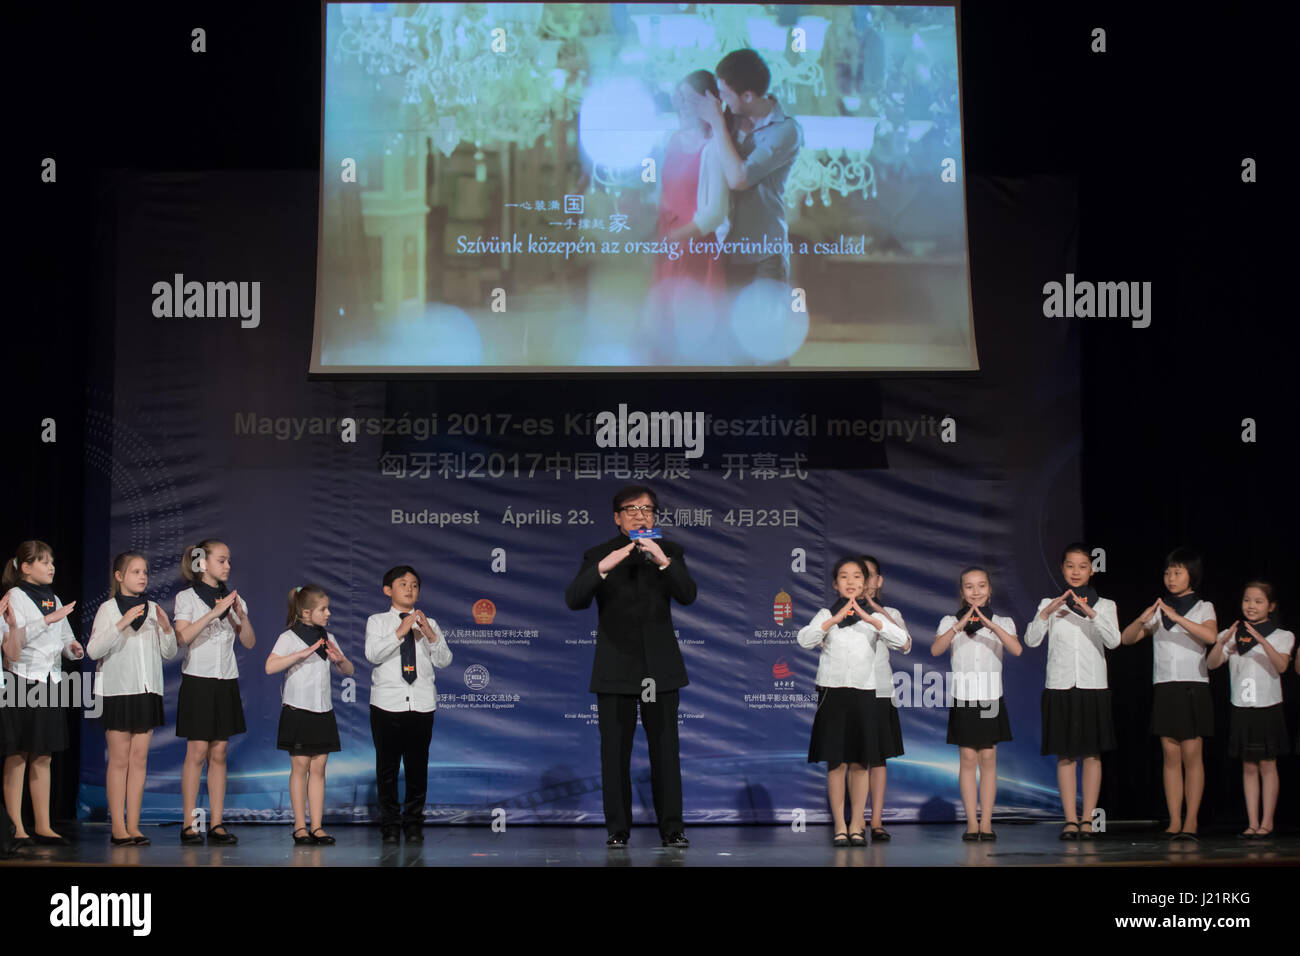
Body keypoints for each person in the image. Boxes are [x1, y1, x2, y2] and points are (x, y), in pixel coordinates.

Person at [564, 484, 697, 847]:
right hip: (615, 669)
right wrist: (603, 569)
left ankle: (673, 830)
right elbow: (574, 600)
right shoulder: (598, 554)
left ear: (655, 516)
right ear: (617, 518)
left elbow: (688, 594)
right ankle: (617, 831)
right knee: (614, 755)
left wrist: (663, 560)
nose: (640, 514)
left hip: (661, 669)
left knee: (666, 754)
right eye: (632, 508)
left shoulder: (669, 551)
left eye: (648, 509)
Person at [797, 556, 908, 846]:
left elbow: (902, 640)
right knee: (837, 762)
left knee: (860, 762)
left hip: (866, 692)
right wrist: (832, 621)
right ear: (836, 583)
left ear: (866, 582)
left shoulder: (876, 616)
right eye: (844, 577)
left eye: (857, 577)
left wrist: (872, 619)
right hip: (833, 692)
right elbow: (804, 639)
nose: (851, 582)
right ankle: (840, 825)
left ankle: (858, 823)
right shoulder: (825, 613)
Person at [1023, 543, 1120, 840]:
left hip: (1093, 687)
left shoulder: (1106, 606)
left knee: (1092, 755)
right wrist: (1046, 613)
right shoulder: (1048, 603)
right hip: (1060, 686)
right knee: (1066, 756)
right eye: (1070, 566)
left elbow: (1114, 641)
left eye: (1082, 566)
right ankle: (1069, 819)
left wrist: (1089, 611)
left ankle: (1088, 819)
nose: (1076, 572)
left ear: (1092, 570)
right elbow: (1030, 640)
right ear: (1062, 569)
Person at [1121, 547, 1217, 840]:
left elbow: (1210, 636)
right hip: (1165, 685)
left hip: (1193, 685)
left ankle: (1192, 820)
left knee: (1192, 753)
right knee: (1170, 754)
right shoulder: (1160, 609)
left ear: (1192, 575)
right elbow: (1126, 639)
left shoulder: (1204, 607)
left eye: (1177, 572)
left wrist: (1176, 616)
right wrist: (1143, 618)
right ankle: (1175, 820)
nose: (1171, 577)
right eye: (1168, 572)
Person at [87, 551, 178, 846]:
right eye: (135, 571)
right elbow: (93, 650)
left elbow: (169, 653)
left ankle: (134, 825)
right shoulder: (108, 610)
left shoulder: (152, 609)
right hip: (117, 691)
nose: (142, 576)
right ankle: (117, 826)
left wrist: (166, 629)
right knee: (120, 760)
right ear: (119, 576)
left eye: (145, 572)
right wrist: (122, 623)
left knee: (139, 760)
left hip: (147, 690)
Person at [694, 48, 804, 288]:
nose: (721, 100)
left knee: (763, 325)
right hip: (725, 249)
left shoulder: (785, 130)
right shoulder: (729, 120)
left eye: (725, 94)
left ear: (747, 96)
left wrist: (717, 125)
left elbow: (739, 179)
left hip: (764, 256)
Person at [172, 538, 256, 845]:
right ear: (202, 563)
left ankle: (217, 823)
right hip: (199, 679)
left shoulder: (235, 598)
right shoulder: (187, 597)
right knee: (196, 752)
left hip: (226, 679)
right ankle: (190, 823)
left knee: (219, 752)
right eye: (222, 560)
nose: (227, 565)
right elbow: (182, 636)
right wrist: (213, 613)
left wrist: (240, 616)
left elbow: (248, 641)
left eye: (229, 560)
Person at [1, 540, 84, 846]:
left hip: (50, 681)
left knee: (43, 755)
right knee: (18, 754)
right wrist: (45, 620)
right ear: (25, 567)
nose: (51, 567)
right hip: (22, 679)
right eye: (43, 561)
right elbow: (12, 642)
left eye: (52, 561)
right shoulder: (15, 597)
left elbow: (64, 637)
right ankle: (16, 827)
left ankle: (44, 825)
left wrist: (72, 648)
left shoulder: (53, 597)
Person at [931, 566, 1020, 841]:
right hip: (964, 697)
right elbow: (936, 649)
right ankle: (971, 821)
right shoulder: (949, 620)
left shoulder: (1003, 622)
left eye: (981, 586)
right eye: (969, 586)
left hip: (990, 696)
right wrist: (959, 625)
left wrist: (991, 625)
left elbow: (1016, 649)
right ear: (962, 591)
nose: (976, 592)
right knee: (968, 758)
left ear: (989, 590)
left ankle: (986, 822)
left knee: (989, 757)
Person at [365, 565, 453, 844]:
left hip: (421, 704)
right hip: (386, 705)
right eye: (403, 584)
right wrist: (400, 631)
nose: (410, 589)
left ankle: (414, 823)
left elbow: (444, 660)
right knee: (387, 769)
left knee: (417, 768)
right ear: (388, 590)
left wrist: (429, 634)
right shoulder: (377, 621)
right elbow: (372, 654)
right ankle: (390, 824)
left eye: (414, 585)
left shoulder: (431, 623)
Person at [266, 586, 353, 845]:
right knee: (300, 766)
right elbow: (270, 666)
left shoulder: (328, 637)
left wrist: (339, 660)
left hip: (322, 710)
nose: (329, 613)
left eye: (328, 608)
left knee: (319, 768)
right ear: (306, 612)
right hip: (298, 709)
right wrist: (300, 654)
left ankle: (317, 826)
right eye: (323, 609)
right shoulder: (289, 637)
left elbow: (348, 670)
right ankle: (300, 826)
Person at [1208, 581, 1292, 839]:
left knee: (1268, 765)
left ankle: (1267, 822)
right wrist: (1222, 642)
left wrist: (1261, 640)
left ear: (1271, 606)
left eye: (1258, 601)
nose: (1251, 606)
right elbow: (1211, 665)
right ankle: (1252, 822)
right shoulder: (1234, 633)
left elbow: (1281, 667)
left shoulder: (1282, 635)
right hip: (1242, 707)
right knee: (1248, 767)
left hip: (1268, 707)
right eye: (1247, 600)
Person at [859, 554, 911, 841]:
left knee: (878, 760)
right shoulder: (839, 613)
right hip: (851, 693)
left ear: (879, 580)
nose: (864, 581)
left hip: (880, 691)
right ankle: (854, 822)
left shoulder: (889, 612)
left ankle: (876, 821)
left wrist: (877, 611)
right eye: (858, 574)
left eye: (869, 575)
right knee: (853, 759)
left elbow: (904, 643)